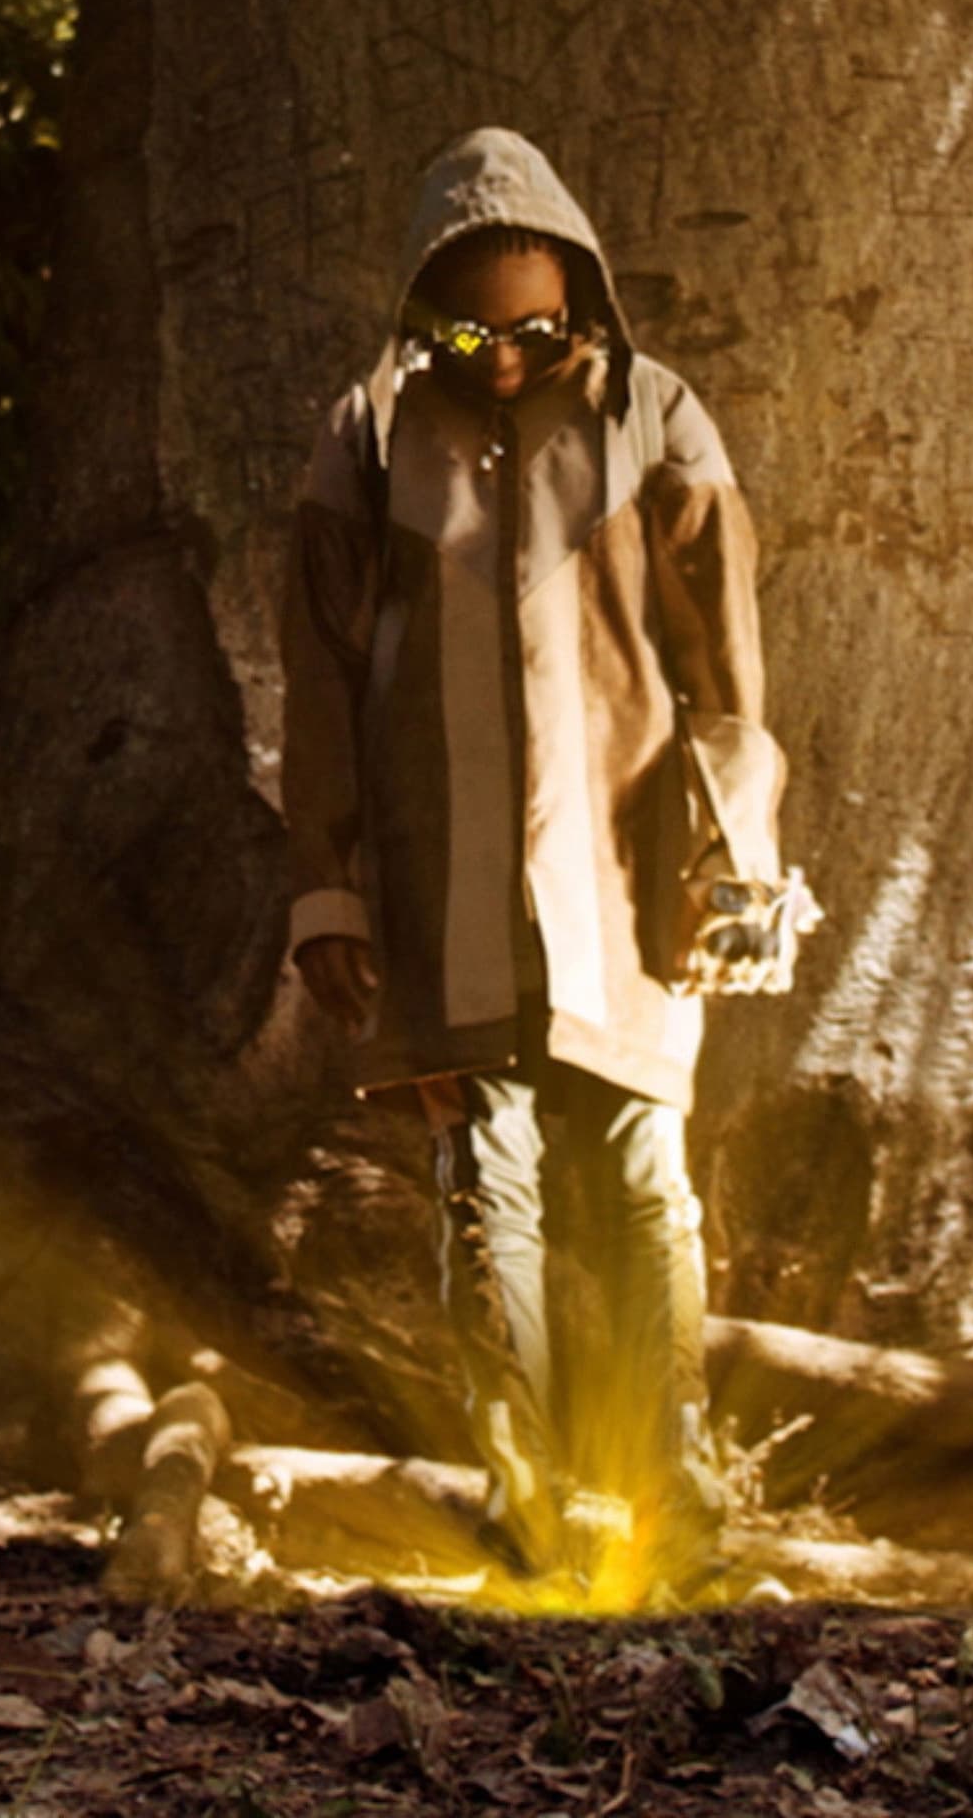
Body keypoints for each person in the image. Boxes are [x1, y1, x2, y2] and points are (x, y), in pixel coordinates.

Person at [281, 126, 788, 1594]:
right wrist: (328, 887)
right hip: (439, 884)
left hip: (627, 882)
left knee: (643, 1183)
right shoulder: (372, 434)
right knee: (479, 1181)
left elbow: (725, 664)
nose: (502, 360)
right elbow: (321, 685)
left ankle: (678, 1497)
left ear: (583, 300)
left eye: (536, 331)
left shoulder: (655, 419)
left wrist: (738, 861)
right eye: (469, 333)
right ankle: (537, 1501)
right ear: (424, 310)